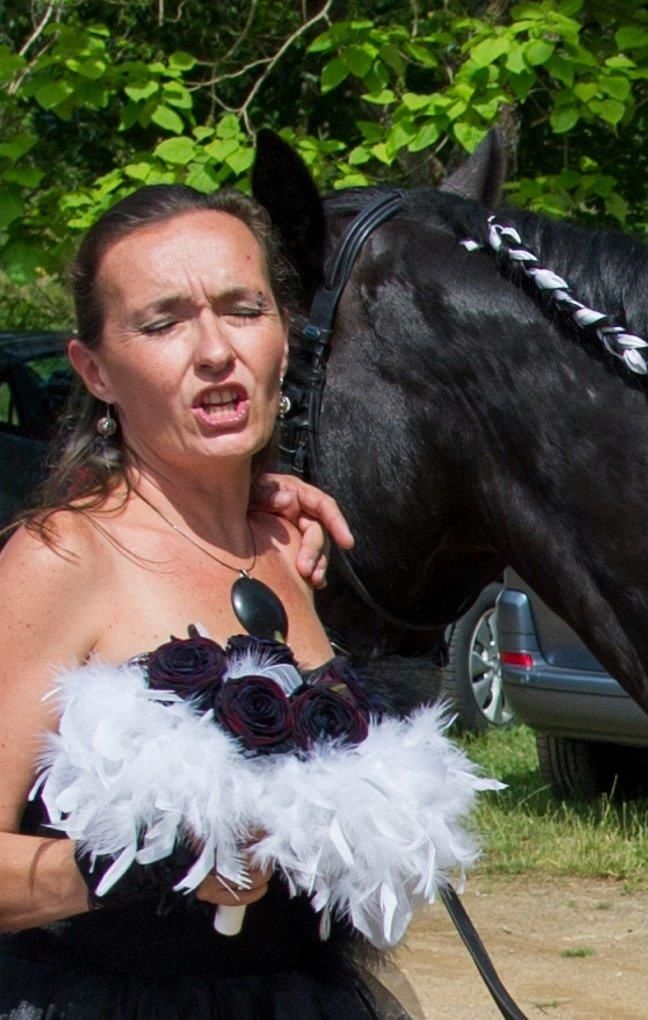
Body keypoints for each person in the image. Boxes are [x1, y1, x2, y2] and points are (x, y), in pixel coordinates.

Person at [0, 185, 408, 1017]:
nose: (215, 349)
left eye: (242, 308)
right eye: (164, 323)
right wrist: (155, 861)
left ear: (284, 341)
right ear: (96, 371)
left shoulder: (290, 545)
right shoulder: (62, 559)